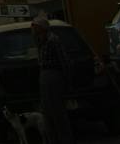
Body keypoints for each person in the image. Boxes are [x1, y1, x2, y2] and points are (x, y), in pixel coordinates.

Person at [33, 13, 73, 144]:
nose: (34, 29)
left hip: (53, 75)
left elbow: (64, 61)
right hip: (44, 75)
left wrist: (66, 79)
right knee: (47, 110)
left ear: (43, 27)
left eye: (36, 27)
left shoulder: (53, 40)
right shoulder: (41, 41)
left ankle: (64, 139)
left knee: (57, 110)